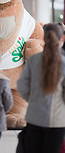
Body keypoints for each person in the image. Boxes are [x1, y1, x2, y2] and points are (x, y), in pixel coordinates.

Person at [17, 23, 65, 153]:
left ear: (44, 39)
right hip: (57, 120)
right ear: (62, 39)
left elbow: (22, 86)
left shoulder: (33, 60)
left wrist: (33, 99)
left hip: (34, 116)